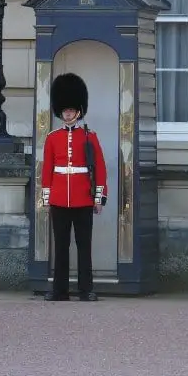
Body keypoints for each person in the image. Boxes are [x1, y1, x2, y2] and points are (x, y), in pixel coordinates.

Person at [40, 72, 108, 302]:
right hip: (59, 198)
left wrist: (98, 198)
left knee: (84, 246)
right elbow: (47, 170)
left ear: (79, 111)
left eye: (71, 110)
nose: (67, 114)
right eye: (64, 110)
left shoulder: (90, 137)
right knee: (60, 246)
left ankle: (86, 289)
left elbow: (100, 168)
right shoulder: (52, 138)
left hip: (82, 198)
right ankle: (60, 290)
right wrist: (46, 199)